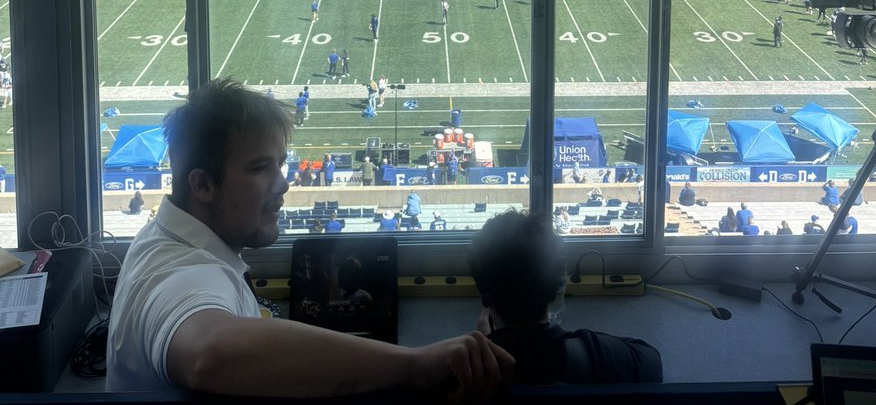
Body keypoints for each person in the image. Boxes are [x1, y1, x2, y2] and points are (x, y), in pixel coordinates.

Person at [106, 79, 513, 397]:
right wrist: (416, 364)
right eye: (261, 168)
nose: (283, 184)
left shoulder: (162, 236)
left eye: (280, 164)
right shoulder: (185, 275)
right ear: (203, 185)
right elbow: (207, 354)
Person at [468, 211, 662, 385]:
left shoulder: (465, 373)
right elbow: (652, 363)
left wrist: (488, 341)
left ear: (485, 298)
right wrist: (587, 342)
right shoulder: (593, 356)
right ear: (555, 289)